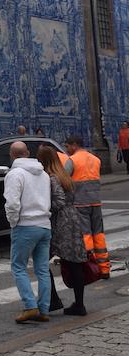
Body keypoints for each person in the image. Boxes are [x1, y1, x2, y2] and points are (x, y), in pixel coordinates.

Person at [37, 145, 89, 316]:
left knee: (42, 260)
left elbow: (58, 201)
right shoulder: (64, 175)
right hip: (72, 219)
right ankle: (79, 303)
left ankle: (53, 300)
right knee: (74, 263)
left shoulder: (51, 178)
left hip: (60, 222)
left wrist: (45, 209)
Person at [3, 141, 51, 324]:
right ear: (28, 153)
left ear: (12, 155)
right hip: (44, 225)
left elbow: (12, 203)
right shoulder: (44, 174)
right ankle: (44, 309)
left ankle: (30, 306)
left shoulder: (15, 174)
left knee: (18, 267)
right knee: (42, 270)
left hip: (25, 225)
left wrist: (13, 222)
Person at [64, 134, 110, 278]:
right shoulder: (96, 159)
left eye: (67, 147)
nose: (67, 150)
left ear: (74, 145)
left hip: (80, 204)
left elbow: (65, 181)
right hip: (96, 202)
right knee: (99, 235)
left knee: (85, 235)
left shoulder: (72, 160)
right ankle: (104, 268)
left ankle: (89, 267)